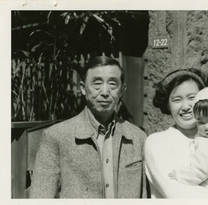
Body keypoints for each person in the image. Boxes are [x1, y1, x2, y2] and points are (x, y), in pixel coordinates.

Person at [30, 56, 148, 198]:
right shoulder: (56, 136)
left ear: (122, 90)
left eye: (112, 84)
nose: (105, 92)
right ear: (83, 89)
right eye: (97, 84)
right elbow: (40, 196)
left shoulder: (137, 137)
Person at [144, 68, 208, 198]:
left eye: (192, 97)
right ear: (168, 105)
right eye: (177, 100)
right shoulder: (157, 143)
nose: (186, 106)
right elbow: (179, 194)